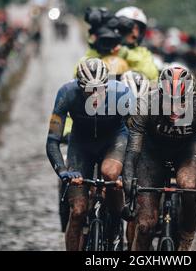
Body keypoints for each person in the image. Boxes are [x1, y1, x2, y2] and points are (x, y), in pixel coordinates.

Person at [122, 66, 196, 251]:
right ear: (159, 95)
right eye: (169, 101)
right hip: (152, 153)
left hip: (188, 150)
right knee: (145, 226)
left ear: (190, 97)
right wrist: (130, 196)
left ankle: (185, 240)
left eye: (180, 102)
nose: (174, 108)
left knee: (189, 184)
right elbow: (132, 154)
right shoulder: (145, 105)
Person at [46, 58, 132, 251]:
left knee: (110, 174)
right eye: (88, 90)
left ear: (106, 84)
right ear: (79, 85)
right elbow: (52, 140)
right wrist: (62, 171)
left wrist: (127, 173)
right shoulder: (66, 93)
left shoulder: (122, 93)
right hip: (81, 145)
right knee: (77, 211)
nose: (95, 94)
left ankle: (116, 218)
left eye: (99, 89)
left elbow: (137, 136)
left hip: (114, 140)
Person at [115, 7, 159, 80]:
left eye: (136, 28)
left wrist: (127, 54)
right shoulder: (106, 46)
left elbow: (151, 74)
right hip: (108, 89)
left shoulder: (143, 52)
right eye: (128, 27)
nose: (132, 31)